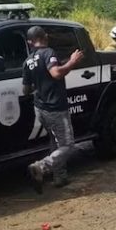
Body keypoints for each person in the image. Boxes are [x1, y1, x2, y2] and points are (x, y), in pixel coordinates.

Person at [23, 26, 84, 192]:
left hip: (40, 108)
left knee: (55, 141)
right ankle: (41, 167)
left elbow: (26, 90)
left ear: (30, 42)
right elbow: (56, 73)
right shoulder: (48, 52)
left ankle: (60, 177)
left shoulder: (28, 60)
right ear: (46, 36)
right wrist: (72, 61)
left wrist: (40, 83)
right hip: (55, 107)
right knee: (68, 145)